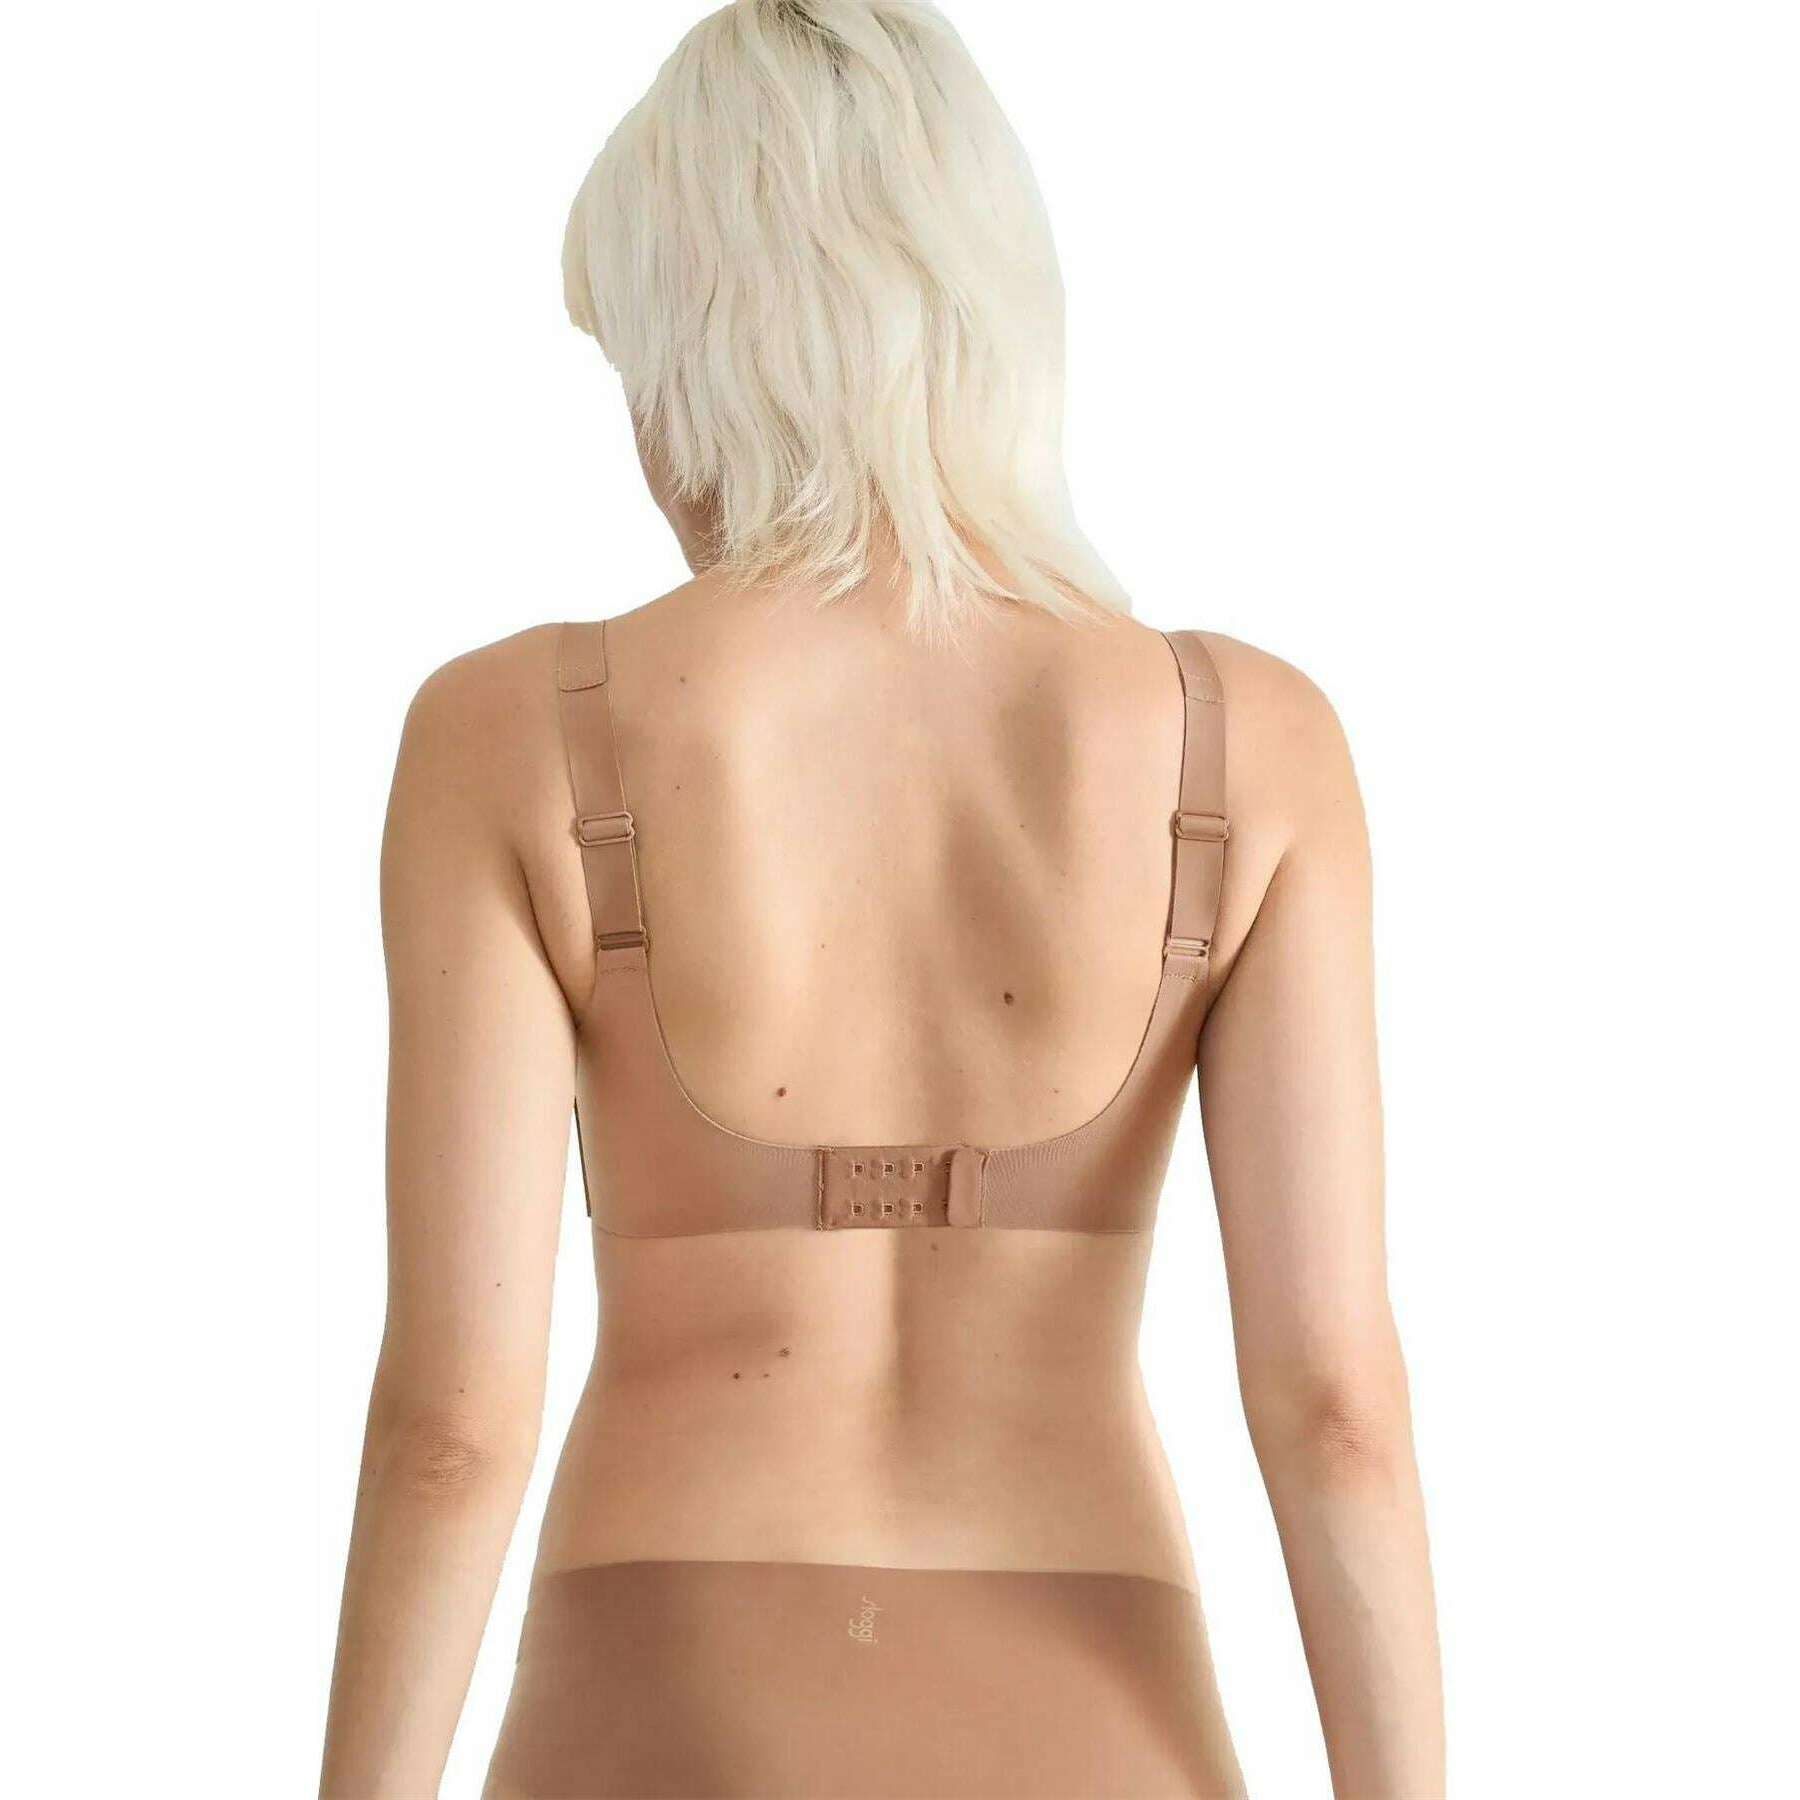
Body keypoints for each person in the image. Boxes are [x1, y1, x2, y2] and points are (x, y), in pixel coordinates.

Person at [319, 3, 1444, 1795]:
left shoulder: (508, 732)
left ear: (713, 349)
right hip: (1100, 1709)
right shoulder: (1252, 742)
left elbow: (453, 1429)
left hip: (658, 1694)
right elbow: (1335, 1410)